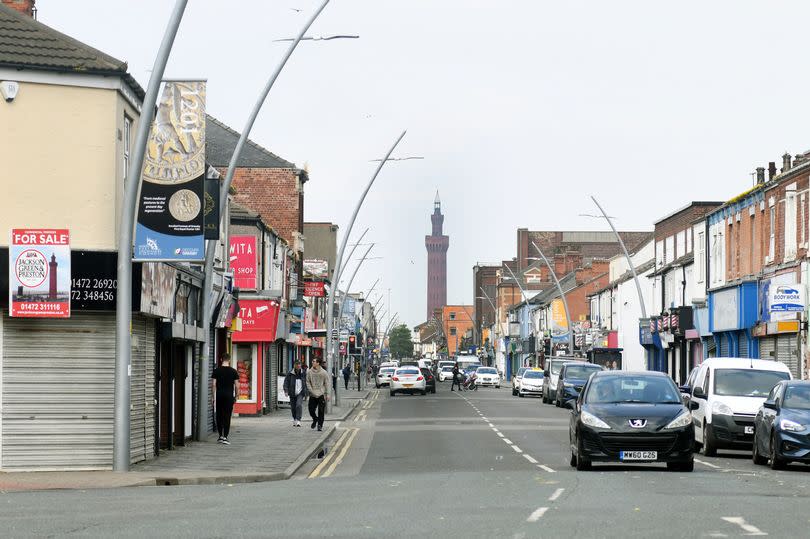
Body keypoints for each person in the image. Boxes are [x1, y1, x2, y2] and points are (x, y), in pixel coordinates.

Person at [211, 353, 239, 445]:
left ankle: (220, 436)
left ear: (221, 359)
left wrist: (213, 396)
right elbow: (237, 385)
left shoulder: (216, 371)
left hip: (219, 395)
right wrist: (237, 395)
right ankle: (225, 437)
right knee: (227, 416)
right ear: (229, 360)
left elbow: (214, 384)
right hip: (229, 396)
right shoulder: (233, 371)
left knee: (219, 415)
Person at [306, 358, 330, 431]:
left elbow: (327, 383)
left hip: (321, 394)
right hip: (313, 394)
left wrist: (328, 394)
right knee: (311, 410)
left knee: (321, 411)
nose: (312, 362)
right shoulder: (309, 372)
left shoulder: (324, 372)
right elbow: (307, 382)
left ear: (318, 363)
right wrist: (311, 391)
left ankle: (320, 425)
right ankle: (315, 419)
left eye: (314, 361)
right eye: (312, 361)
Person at [283, 361, 308, 427]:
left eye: (300, 365)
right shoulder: (290, 373)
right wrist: (286, 391)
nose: (299, 366)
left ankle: (298, 420)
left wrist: (306, 392)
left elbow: (307, 382)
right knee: (293, 407)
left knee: (298, 405)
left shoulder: (303, 373)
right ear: (295, 365)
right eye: (297, 365)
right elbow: (286, 382)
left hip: (300, 392)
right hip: (292, 392)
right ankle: (294, 419)